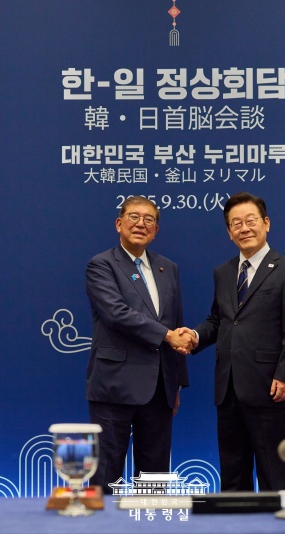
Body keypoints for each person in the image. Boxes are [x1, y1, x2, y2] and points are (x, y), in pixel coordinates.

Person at [189, 192, 285, 492]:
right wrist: (194, 337)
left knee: (273, 477)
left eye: (250, 220)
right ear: (229, 232)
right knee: (232, 479)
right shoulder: (223, 273)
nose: (244, 228)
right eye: (236, 223)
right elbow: (219, 321)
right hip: (228, 389)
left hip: (271, 388)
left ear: (266, 223)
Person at [85, 196, 192, 493]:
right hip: (114, 386)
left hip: (160, 388)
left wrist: (176, 383)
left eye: (149, 220)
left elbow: (176, 321)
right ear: (119, 223)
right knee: (106, 477)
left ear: (155, 230)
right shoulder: (102, 265)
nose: (140, 224)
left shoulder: (168, 268)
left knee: (154, 482)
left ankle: (152, 518)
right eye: (134, 216)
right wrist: (167, 335)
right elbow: (116, 313)